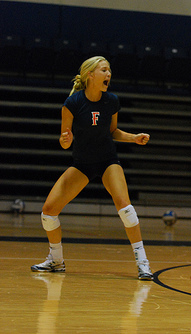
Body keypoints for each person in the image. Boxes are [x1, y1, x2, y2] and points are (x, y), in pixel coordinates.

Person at [31, 56, 154, 280]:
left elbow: (113, 131)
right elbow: (64, 139)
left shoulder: (112, 101)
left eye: (109, 71)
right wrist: (65, 141)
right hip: (82, 163)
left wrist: (133, 137)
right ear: (90, 75)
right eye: (104, 70)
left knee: (125, 208)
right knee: (48, 213)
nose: (108, 75)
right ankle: (56, 260)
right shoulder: (73, 103)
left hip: (107, 160)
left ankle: (143, 263)